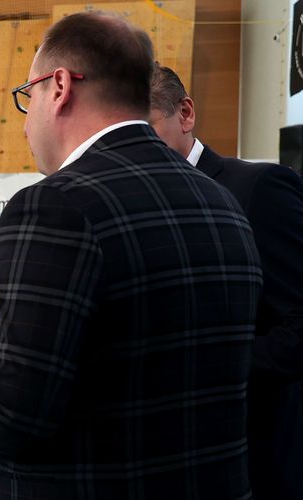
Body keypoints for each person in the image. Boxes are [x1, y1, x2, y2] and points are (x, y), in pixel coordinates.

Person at [0, 11, 263, 499]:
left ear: (60, 87)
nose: (25, 125)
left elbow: (9, 418)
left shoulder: (55, 206)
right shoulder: (223, 201)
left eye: (28, 97)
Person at [149, 63, 303, 500]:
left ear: (185, 114)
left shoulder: (258, 188)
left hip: (256, 460)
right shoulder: (127, 205)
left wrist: (207, 365)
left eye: (146, 128)